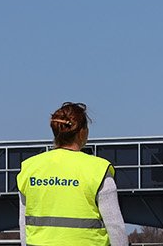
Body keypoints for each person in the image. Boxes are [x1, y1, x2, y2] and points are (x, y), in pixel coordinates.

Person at [16, 102, 128, 246]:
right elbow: (115, 227)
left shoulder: (29, 168)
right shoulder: (98, 169)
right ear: (83, 132)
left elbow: (24, 225)